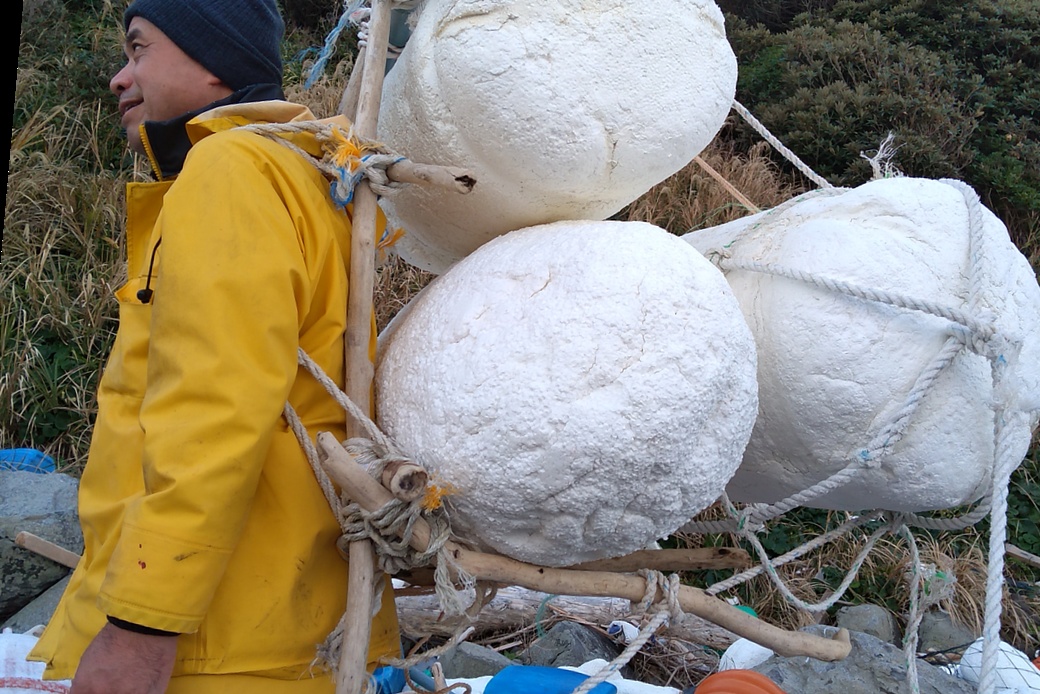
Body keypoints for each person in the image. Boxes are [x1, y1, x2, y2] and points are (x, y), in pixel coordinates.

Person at [28, 1, 400, 691]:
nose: (119, 76)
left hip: (214, 652)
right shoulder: (308, 177)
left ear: (215, 63)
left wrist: (142, 625)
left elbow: (214, 405)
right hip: (290, 629)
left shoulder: (228, 170)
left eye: (138, 49)